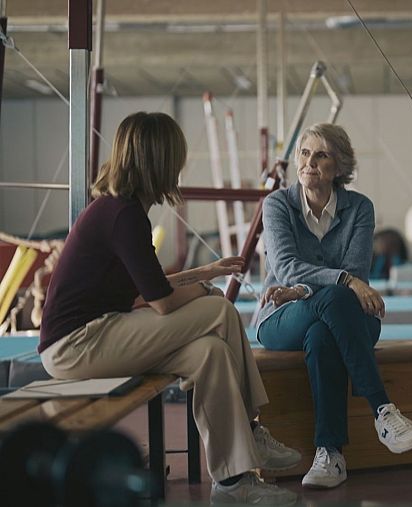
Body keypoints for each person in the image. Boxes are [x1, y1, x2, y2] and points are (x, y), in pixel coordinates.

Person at [38, 112, 301, 506]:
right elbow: (161, 303)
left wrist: (202, 274)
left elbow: (150, 287)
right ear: (158, 160)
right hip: (77, 344)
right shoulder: (123, 216)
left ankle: (231, 484)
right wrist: (203, 290)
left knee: (209, 353)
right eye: (176, 159)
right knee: (221, 311)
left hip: (102, 330)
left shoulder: (119, 210)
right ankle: (251, 427)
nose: (179, 168)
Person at [257, 123, 412, 489]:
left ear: (340, 166)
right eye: (304, 153)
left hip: (338, 316)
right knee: (333, 298)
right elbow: (287, 266)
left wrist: (308, 288)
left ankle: (330, 455)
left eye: (321, 155)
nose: (309, 163)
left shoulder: (359, 208)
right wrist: (341, 282)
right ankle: (382, 409)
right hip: (280, 317)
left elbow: (357, 268)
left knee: (322, 336)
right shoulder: (277, 205)